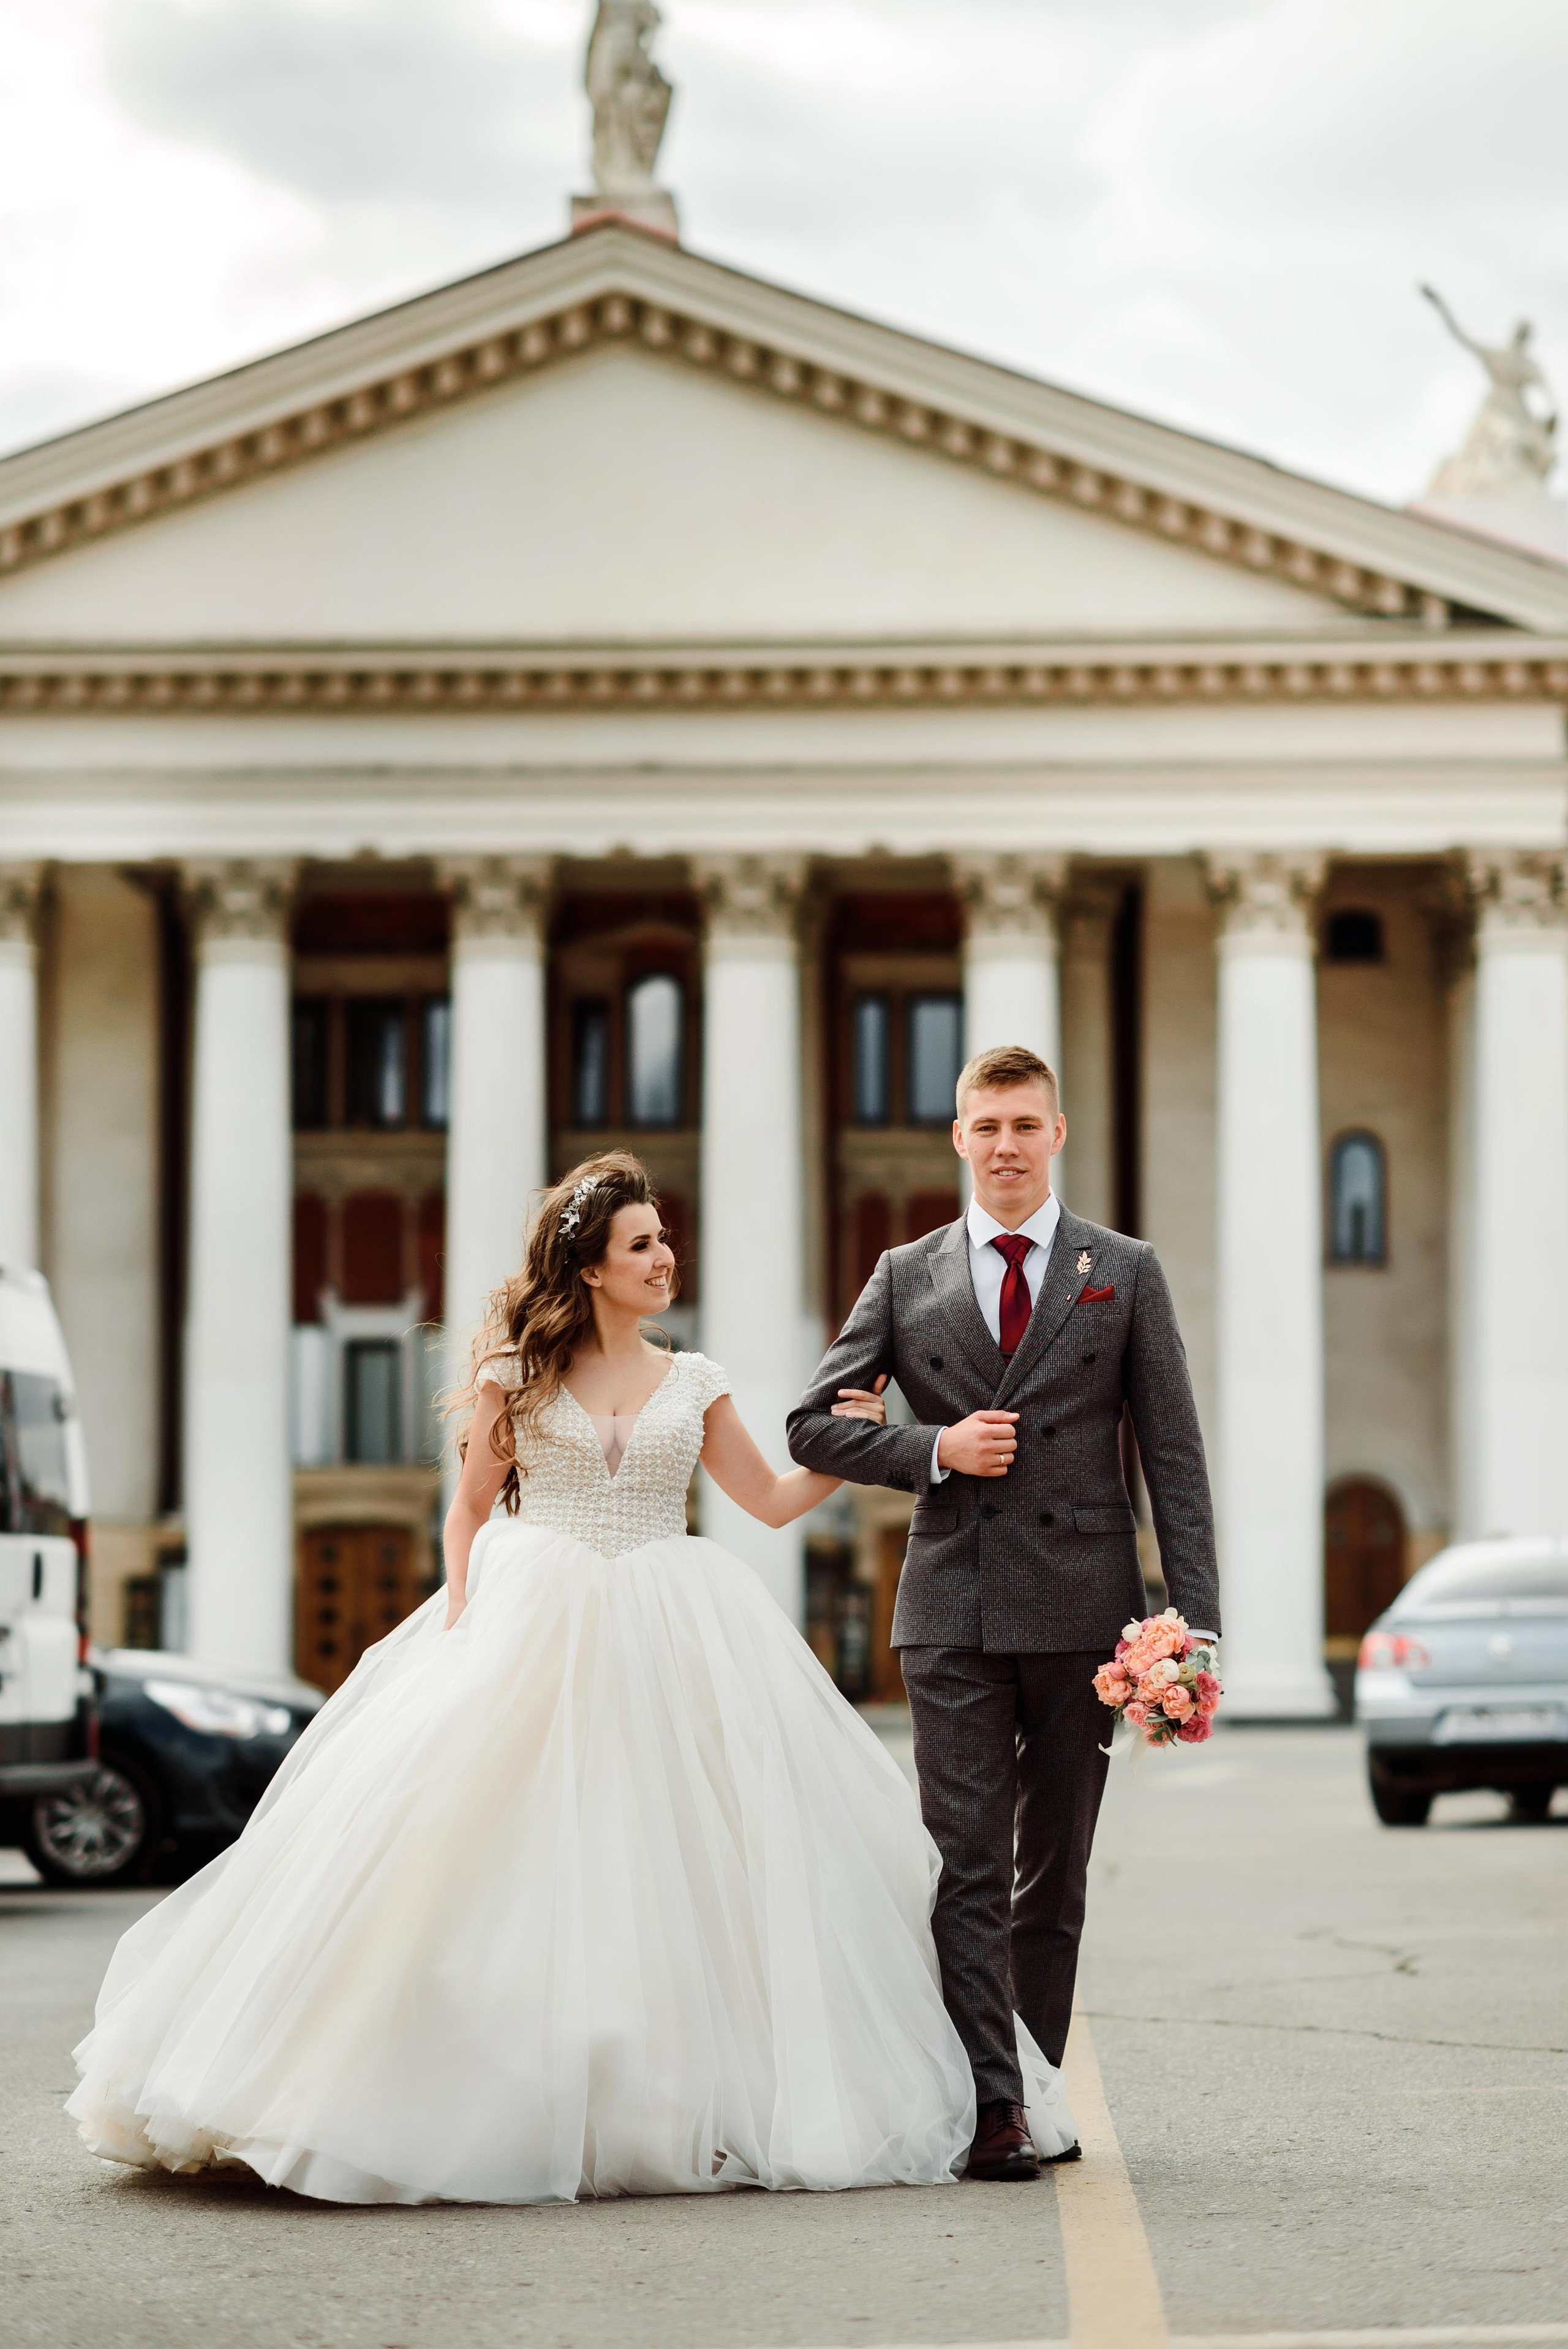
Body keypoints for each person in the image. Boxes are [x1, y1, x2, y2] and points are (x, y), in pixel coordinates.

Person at [69, 1152, 984, 2206]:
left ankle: (662, 2090)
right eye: (641, 1244)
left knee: (674, 1852)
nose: (663, 1257)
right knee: (475, 1849)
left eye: (664, 1240)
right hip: (534, 1608)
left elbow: (772, 1500)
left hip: (669, 1615)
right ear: (591, 1268)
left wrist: (860, 1442)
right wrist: (462, 1609)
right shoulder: (519, 1373)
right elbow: (467, 1504)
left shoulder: (697, 1378)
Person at [788, 1045, 1219, 2183]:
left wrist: (1196, 1624)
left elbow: (1172, 1454)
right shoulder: (904, 1271)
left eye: (1026, 1124)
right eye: (987, 1126)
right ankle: (994, 2109)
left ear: (1058, 1133)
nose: (1007, 1145)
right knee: (967, 1864)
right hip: (954, 1608)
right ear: (961, 1140)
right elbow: (810, 1426)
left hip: (1088, 1615)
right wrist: (932, 1446)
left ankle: (1035, 2073)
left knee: (1055, 1871)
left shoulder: (1121, 1270)